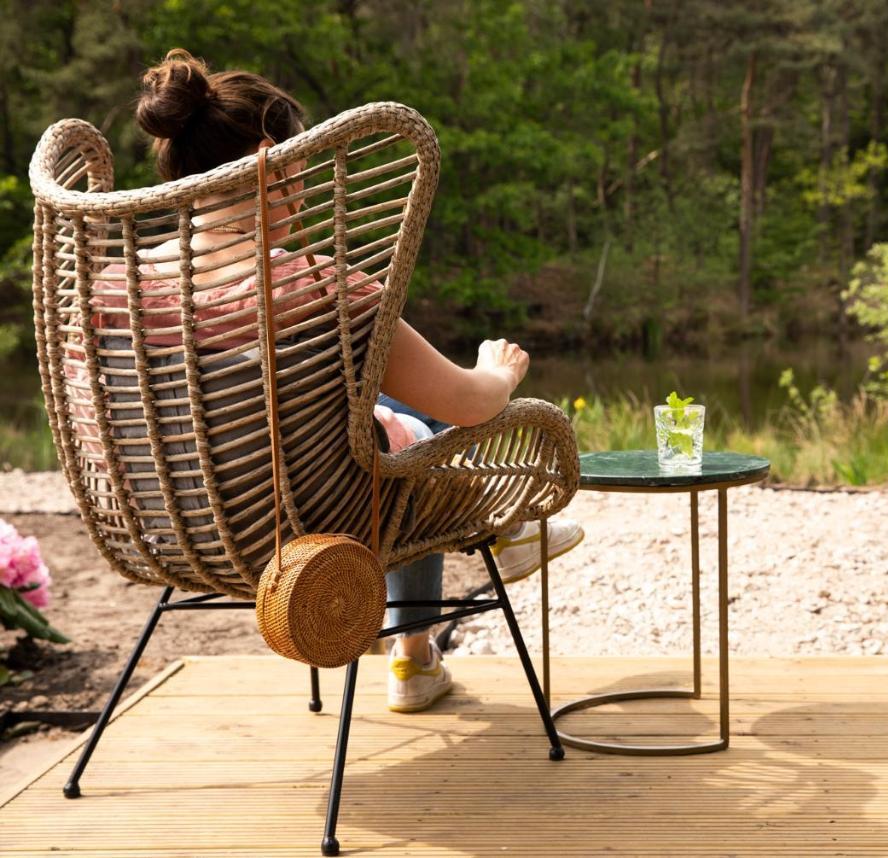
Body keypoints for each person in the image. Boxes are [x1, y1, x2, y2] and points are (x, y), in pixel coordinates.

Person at [116, 49, 584, 712]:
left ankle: (424, 651)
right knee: (412, 441)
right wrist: (496, 370)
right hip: (309, 531)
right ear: (273, 165)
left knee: (372, 409)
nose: (303, 188)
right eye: (300, 167)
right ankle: (437, 628)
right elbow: (471, 404)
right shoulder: (318, 290)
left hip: (167, 528)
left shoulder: (109, 289)